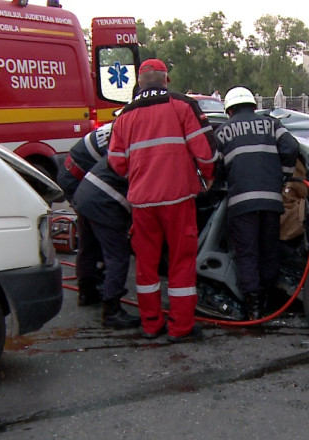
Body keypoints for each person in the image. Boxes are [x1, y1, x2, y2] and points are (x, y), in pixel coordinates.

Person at [108, 58, 218, 342]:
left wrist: (138, 176)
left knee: (146, 266)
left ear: (139, 83)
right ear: (166, 80)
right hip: (178, 198)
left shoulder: (124, 116)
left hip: (142, 203)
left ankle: (151, 324)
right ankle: (181, 328)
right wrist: (208, 177)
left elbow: (116, 161)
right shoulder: (181, 105)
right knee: (181, 262)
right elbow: (205, 151)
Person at [214, 86, 299, 320]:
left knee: (247, 253)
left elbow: (214, 166)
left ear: (229, 110)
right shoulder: (272, 125)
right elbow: (292, 147)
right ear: (253, 105)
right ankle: (270, 299)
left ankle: (254, 306)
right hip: (271, 201)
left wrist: (222, 183)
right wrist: (284, 175)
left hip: (241, 204)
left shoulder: (222, 132)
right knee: (269, 250)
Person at [71, 156, 141, 328]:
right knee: (118, 256)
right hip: (104, 200)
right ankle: (112, 311)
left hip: (85, 191)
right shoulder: (155, 152)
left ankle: (86, 293)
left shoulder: (132, 144)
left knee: (88, 248)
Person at [56, 123, 114, 307]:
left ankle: (89, 286)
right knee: (96, 234)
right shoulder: (124, 132)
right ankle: (90, 288)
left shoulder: (120, 124)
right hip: (77, 179)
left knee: (91, 236)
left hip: (76, 174)